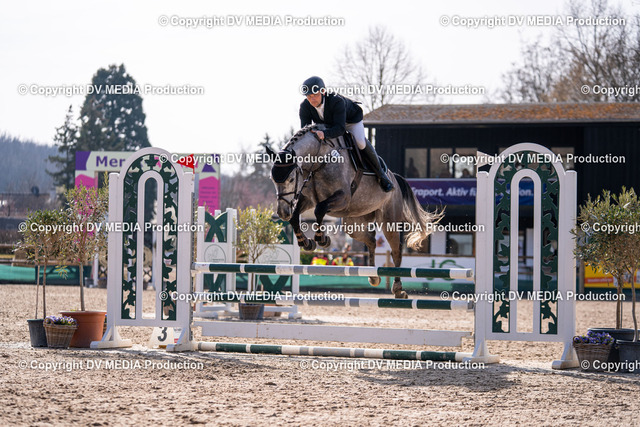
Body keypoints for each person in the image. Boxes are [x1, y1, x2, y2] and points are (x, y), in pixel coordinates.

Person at [299, 76, 394, 192]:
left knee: (360, 142)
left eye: (315, 95)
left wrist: (324, 134)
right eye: (309, 96)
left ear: (323, 92)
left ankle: (382, 175)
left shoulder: (336, 101)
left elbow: (340, 129)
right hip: (330, 124)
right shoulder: (305, 106)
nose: (312, 99)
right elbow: (305, 130)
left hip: (350, 121)